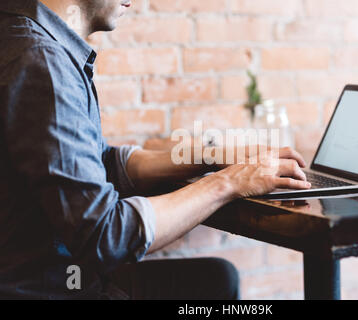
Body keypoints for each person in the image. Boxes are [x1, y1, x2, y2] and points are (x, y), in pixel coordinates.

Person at [0, 0, 311, 300]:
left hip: (58, 277)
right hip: (50, 287)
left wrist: (210, 157)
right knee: (216, 284)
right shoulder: (42, 61)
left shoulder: (24, 37)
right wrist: (228, 183)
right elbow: (105, 235)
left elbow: (100, 162)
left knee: (217, 278)